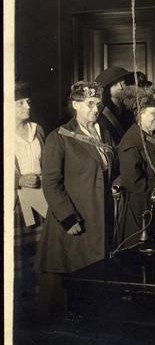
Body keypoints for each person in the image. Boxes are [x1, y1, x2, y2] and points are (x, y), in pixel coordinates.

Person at [35, 81, 117, 325]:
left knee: (92, 280)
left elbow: (114, 169)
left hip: (100, 216)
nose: (96, 109)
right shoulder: (59, 137)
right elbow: (51, 183)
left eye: (98, 104)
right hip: (72, 223)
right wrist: (68, 218)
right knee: (63, 286)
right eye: (90, 104)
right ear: (75, 105)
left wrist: (117, 183)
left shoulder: (104, 132)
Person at [117, 87, 155, 248]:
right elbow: (133, 182)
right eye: (154, 113)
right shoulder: (131, 141)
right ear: (140, 113)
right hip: (143, 210)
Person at [14, 81, 48, 318]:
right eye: (21, 102)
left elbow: (49, 162)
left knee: (41, 255)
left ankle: (40, 308)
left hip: (41, 201)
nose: (28, 105)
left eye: (28, 101)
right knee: (19, 262)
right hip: (15, 206)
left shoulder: (38, 129)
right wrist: (17, 179)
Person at [95, 66, 133, 145]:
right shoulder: (101, 114)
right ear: (107, 88)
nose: (121, 87)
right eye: (116, 84)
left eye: (123, 83)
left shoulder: (128, 110)